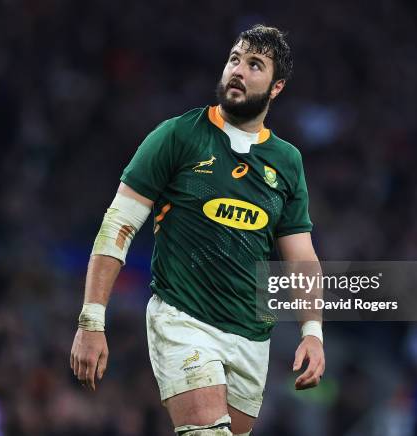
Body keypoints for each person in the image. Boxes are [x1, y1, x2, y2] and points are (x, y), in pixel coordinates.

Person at [70, 24, 325, 436]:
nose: (238, 71)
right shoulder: (178, 137)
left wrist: (312, 333)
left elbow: (301, 257)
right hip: (183, 319)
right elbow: (117, 225)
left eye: (254, 65)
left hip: (251, 336)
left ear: (276, 88)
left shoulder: (287, 161)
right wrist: (91, 321)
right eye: (234, 59)